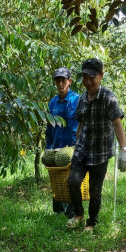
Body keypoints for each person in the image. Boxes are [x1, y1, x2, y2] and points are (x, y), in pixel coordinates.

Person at [65, 58, 126, 234]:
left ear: (101, 76)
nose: (87, 82)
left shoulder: (109, 99)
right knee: (72, 182)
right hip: (83, 149)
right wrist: (76, 144)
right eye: (85, 77)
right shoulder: (81, 99)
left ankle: (91, 223)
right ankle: (78, 214)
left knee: (95, 191)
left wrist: (124, 151)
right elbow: (80, 125)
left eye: (91, 77)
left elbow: (117, 124)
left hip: (101, 152)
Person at [45, 67, 80, 218]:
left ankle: (72, 212)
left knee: (71, 180)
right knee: (57, 179)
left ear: (69, 82)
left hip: (72, 147)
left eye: (63, 80)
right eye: (57, 80)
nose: (60, 83)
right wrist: (48, 147)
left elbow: (82, 124)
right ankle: (58, 211)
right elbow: (49, 127)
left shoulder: (77, 100)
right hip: (56, 147)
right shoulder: (52, 103)